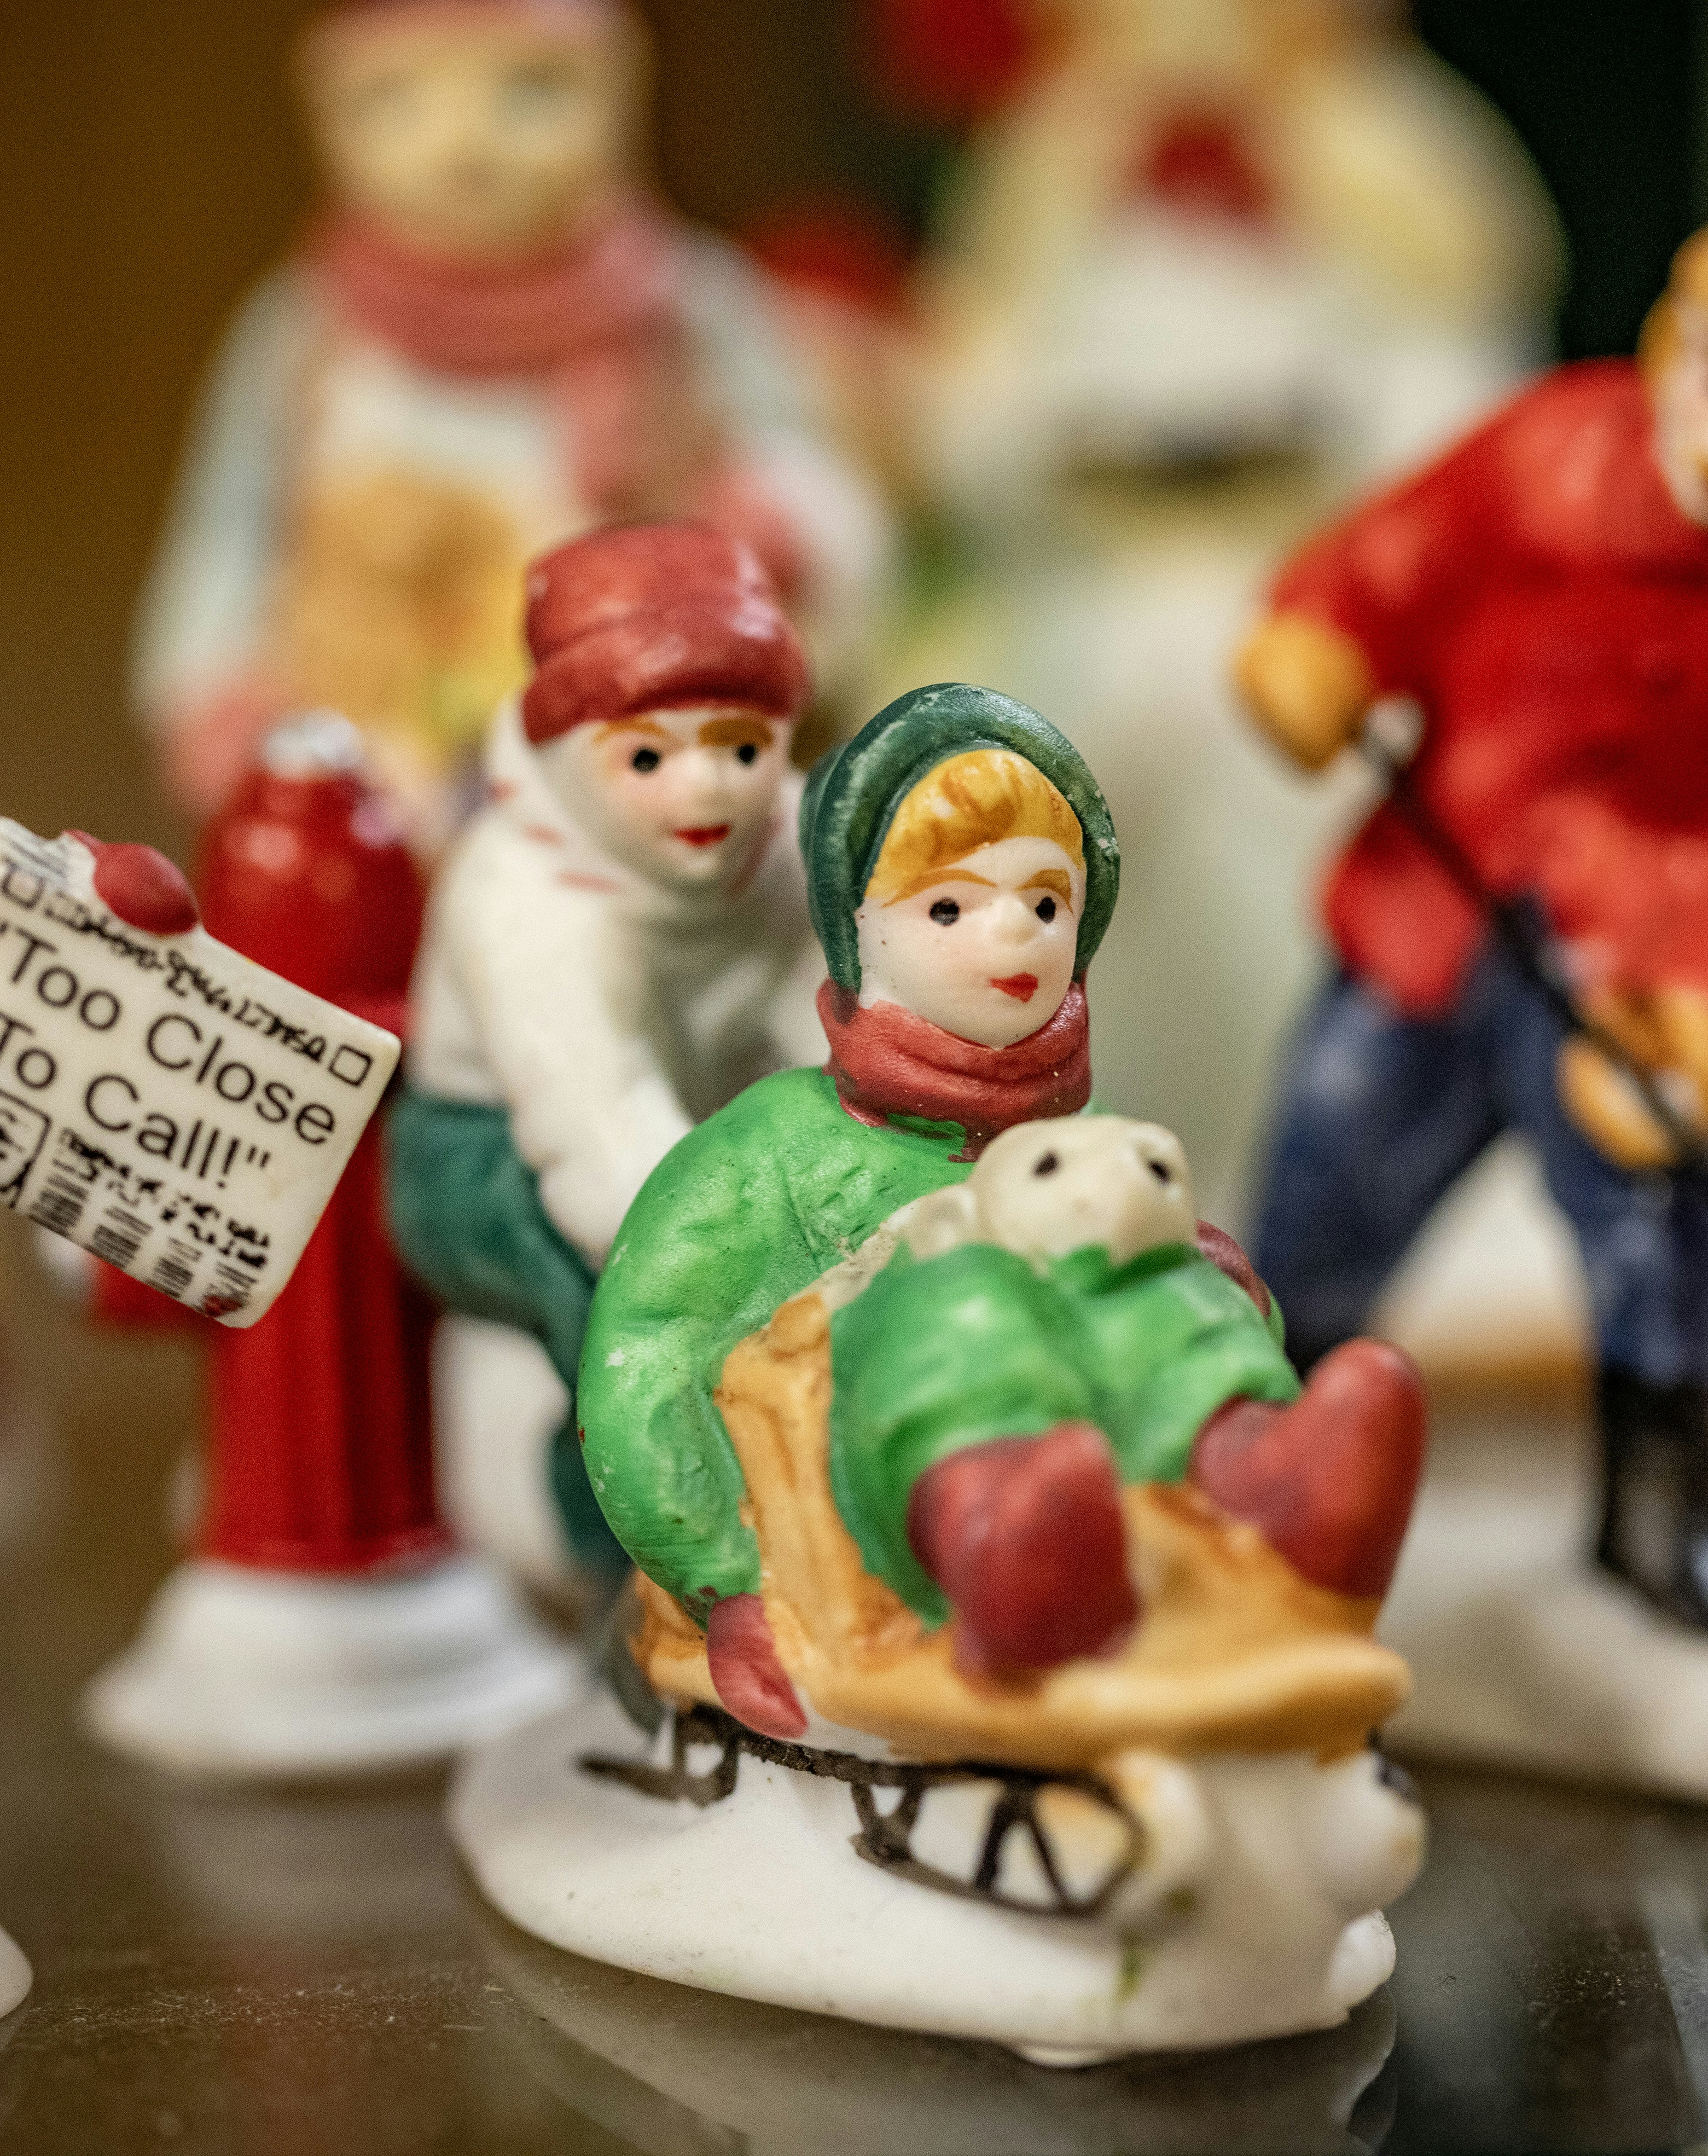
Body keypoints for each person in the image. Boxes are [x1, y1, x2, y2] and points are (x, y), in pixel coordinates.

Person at [1234, 184, 1708, 1637]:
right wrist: (1314, 649)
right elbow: (1380, 566)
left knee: (1659, 1230)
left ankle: (1658, 1521)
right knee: (1328, 1172)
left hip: (1632, 974)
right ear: (1675, 335)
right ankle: (1256, 1465)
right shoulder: (1540, 456)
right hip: (1429, 914)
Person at [577, 683, 1419, 1734]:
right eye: (947, 907)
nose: (1011, 938)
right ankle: (1007, 1539)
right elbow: (644, 1357)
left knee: (1167, 1266)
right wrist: (725, 1579)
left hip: (1117, 1491)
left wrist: (1214, 1287)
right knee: (962, 1292)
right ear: (857, 934)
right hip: (870, 1520)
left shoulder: (1092, 1138)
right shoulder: (769, 1153)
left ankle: (1259, 1474)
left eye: (1046, 902)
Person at [130, 0, 882, 838]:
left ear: (616, 89)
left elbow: (818, 492)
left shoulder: (686, 308)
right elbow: (224, 536)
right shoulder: (303, 331)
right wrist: (223, 705)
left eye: (529, 92)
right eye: (399, 101)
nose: (464, 147)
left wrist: (755, 536)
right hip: (372, 779)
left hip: (633, 781)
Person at [387, 522, 823, 1574]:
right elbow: (600, 1130)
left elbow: (841, 1004)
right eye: (644, 757)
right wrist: (735, 1278)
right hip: (492, 1152)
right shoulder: (528, 899)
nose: (706, 792)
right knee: (627, 1322)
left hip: (723, 1132)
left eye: (740, 747)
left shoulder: (791, 839)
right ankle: (627, 1559)